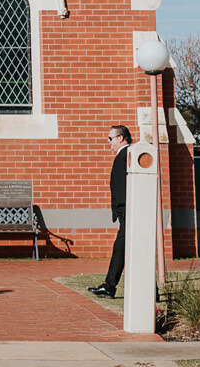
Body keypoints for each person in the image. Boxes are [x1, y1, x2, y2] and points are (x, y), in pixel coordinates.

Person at [89, 125, 131, 299]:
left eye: (110, 138)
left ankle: (109, 286)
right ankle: (110, 286)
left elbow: (122, 188)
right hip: (127, 212)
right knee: (127, 250)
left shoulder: (123, 156)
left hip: (127, 212)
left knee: (121, 249)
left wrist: (120, 209)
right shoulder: (125, 155)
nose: (108, 142)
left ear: (120, 138)